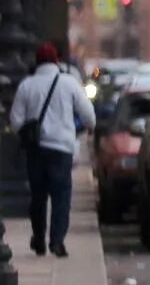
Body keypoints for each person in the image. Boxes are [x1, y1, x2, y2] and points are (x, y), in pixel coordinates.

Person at [9, 42, 94, 256]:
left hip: (36, 150)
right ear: (57, 61)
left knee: (38, 196)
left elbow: (15, 121)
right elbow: (88, 116)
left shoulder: (26, 85)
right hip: (61, 150)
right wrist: (81, 128)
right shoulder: (69, 83)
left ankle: (38, 237)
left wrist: (30, 132)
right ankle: (56, 241)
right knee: (61, 196)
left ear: (36, 62)